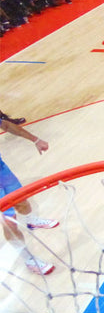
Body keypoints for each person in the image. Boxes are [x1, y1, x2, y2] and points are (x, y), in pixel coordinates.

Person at [0, 118, 59, 275]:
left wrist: (36, 140)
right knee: (8, 221)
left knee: (21, 200)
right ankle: (28, 259)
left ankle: (31, 221)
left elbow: (5, 124)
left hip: (1, 170)